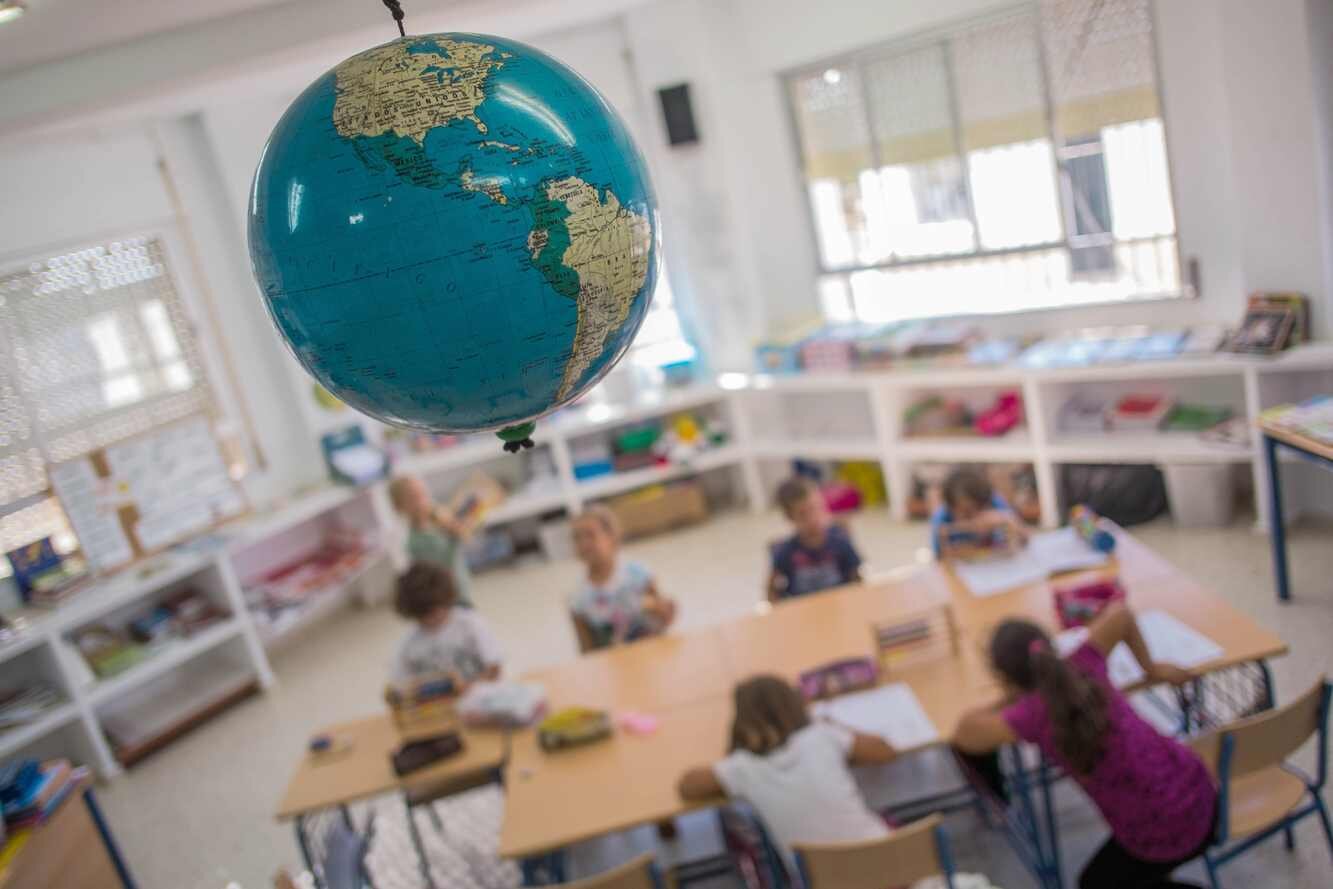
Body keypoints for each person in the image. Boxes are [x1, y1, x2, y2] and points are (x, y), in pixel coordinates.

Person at [953, 602, 1214, 889]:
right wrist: (1149, 667)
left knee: (1092, 883)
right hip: (1203, 795)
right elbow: (1121, 614)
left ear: (1005, 678)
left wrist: (1010, 697)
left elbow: (963, 732)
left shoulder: (1029, 716)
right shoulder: (1084, 663)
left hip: (1165, 834)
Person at [677, 675, 896, 870]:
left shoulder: (742, 767)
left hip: (823, 879)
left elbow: (687, 786)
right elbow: (885, 751)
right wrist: (834, 726)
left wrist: (732, 756)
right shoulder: (821, 736)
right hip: (893, 867)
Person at [569, 505, 677, 651]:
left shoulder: (638, 573)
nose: (584, 544)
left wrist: (661, 608)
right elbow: (587, 649)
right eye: (577, 538)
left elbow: (664, 620)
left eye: (590, 535)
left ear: (611, 536)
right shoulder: (577, 597)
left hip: (654, 652)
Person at [390, 561, 502, 687]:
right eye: (421, 616)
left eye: (433, 612)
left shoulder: (470, 624)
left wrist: (466, 688)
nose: (429, 620)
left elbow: (494, 667)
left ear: (446, 599)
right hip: (433, 699)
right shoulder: (408, 643)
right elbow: (399, 684)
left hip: (480, 693)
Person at [767, 476, 862, 601]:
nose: (813, 519)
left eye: (816, 508)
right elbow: (771, 589)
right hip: (804, 608)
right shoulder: (785, 550)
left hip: (839, 604)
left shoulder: (840, 540)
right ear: (790, 517)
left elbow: (857, 580)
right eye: (803, 514)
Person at [388, 475, 475, 607]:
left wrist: (459, 529)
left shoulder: (437, 522)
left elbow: (462, 545)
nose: (422, 501)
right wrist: (454, 536)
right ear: (400, 507)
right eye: (414, 498)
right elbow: (442, 567)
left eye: (423, 494)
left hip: (461, 585)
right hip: (446, 595)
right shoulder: (414, 542)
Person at [930, 466, 1028, 559]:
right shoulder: (942, 519)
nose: (975, 517)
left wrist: (1006, 520)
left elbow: (1025, 538)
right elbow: (939, 558)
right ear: (950, 507)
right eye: (966, 512)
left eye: (979, 509)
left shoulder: (994, 502)